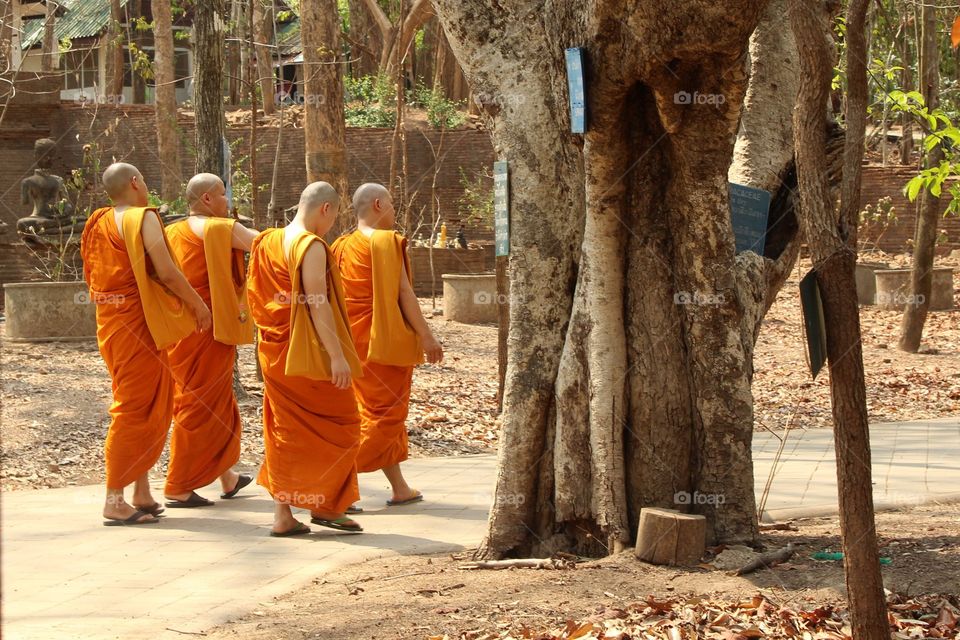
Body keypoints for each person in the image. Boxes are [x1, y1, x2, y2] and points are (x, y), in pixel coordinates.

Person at [81, 163, 211, 526]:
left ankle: (140, 491)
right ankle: (113, 499)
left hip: (113, 321)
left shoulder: (98, 221)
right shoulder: (143, 218)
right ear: (135, 183)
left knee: (150, 403)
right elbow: (167, 272)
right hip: (136, 323)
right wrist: (198, 305)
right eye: (145, 179)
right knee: (134, 407)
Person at [247, 182, 364, 537]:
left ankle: (284, 514)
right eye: (335, 216)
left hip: (274, 349)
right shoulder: (310, 245)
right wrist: (337, 356)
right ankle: (328, 506)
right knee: (344, 423)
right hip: (307, 354)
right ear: (325, 209)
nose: (332, 225)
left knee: (285, 429)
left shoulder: (266, 241)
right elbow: (317, 301)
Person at [331, 183, 443, 510]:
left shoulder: (340, 245)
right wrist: (427, 336)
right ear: (379, 204)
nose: (394, 210)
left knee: (373, 413)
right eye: (392, 204)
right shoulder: (386, 242)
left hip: (351, 341)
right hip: (383, 342)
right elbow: (404, 294)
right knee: (386, 416)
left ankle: (400, 487)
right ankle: (333, 479)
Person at [163, 174, 259, 508]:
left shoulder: (170, 231)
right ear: (206, 199)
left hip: (179, 329)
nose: (227, 201)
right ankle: (177, 485)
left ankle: (227, 477)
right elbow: (264, 245)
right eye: (222, 194)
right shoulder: (220, 228)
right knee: (198, 405)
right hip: (205, 329)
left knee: (213, 401)